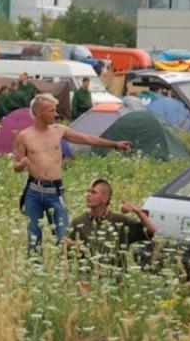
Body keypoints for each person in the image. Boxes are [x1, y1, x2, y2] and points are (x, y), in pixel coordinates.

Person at [13, 93, 131, 254]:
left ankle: (66, 266)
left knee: (64, 234)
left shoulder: (59, 130)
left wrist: (114, 144)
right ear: (39, 113)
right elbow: (17, 165)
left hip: (55, 192)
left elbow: (86, 139)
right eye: (51, 111)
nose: (56, 114)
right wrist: (21, 164)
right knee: (34, 233)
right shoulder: (24, 136)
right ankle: (35, 266)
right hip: (34, 191)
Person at [69, 178, 156, 245]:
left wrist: (138, 212)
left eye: (93, 192)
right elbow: (65, 247)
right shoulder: (78, 222)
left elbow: (150, 231)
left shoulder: (120, 222)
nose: (88, 195)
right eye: (88, 192)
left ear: (105, 198)